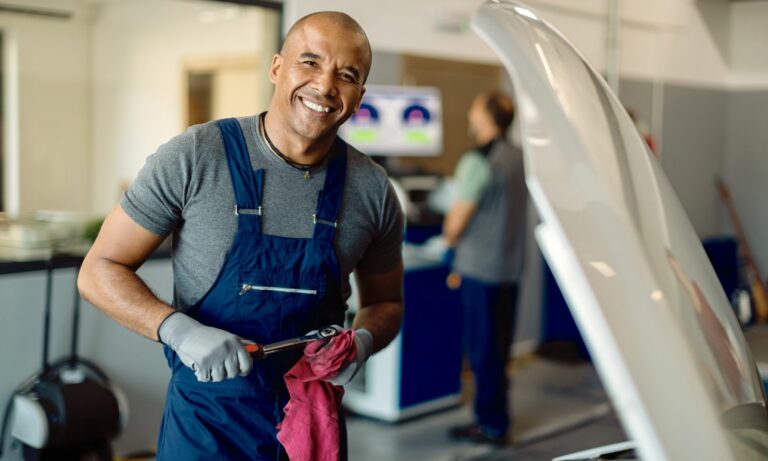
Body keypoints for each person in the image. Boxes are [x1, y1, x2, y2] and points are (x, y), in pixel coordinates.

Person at [78, 11, 404, 461]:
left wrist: (363, 342)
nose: (326, 86)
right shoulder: (196, 156)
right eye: (309, 62)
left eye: (346, 75)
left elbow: (386, 304)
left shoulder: (372, 190)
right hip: (206, 431)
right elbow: (98, 270)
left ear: (359, 96)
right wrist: (178, 330)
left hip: (311, 432)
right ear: (276, 68)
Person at [442, 91, 526, 446]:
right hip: (510, 269)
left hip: (479, 269)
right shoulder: (519, 157)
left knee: (482, 351)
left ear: (488, 117)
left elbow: (455, 225)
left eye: (475, 109)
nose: (471, 114)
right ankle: (497, 416)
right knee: (500, 350)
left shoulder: (479, 159)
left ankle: (491, 424)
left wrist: (446, 232)